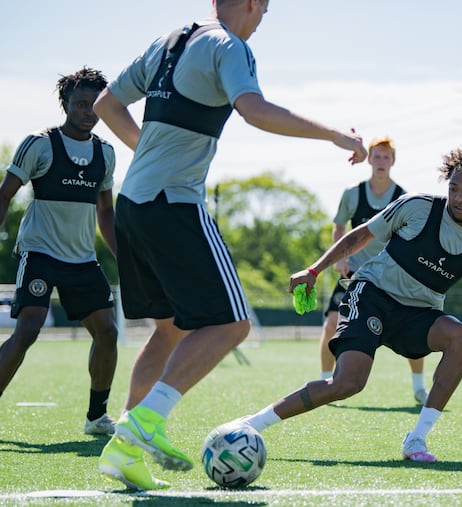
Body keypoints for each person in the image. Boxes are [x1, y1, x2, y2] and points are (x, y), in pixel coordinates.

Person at [92, 0, 367, 491]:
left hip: (135, 203)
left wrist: (148, 152)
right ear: (250, 4)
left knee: (173, 328)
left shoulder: (169, 40)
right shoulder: (229, 45)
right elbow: (255, 111)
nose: (261, 20)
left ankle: (124, 449)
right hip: (173, 203)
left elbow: (105, 105)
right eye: (263, 11)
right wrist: (332, 136)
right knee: (233, 324)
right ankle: (144, 422)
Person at [235, 147, 462, 463]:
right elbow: (360, 235)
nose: (459, 197)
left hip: (418, 314)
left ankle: (417, 438)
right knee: (348, 383)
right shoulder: (417, 207)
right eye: (454, 188)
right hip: (373, 296)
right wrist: (314, 270)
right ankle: (251, 424)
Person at [0, 67, 119, 436]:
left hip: (82, 259)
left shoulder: (106, 153)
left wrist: (125, 260)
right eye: (80, 103)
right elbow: (5, 195)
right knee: (29, 329)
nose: (88, 111)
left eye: (95, 104)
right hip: (40, 253)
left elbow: (106, 212)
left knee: (108, 333)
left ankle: (96, 417)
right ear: (65, 104)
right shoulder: (39, 144)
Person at [319, 136, 427, 404]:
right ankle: (324, 382)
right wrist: (340, 259)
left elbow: (410, 237)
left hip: (388, 274)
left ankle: (419, 387)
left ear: (393, 161)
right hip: (353, 272)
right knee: (332, 322)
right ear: (369, 159)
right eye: (376, 156)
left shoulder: (403, 197)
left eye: (386, 157)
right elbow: (339, 227)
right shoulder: (352, 194)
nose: (381, 161)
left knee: (414, 327)